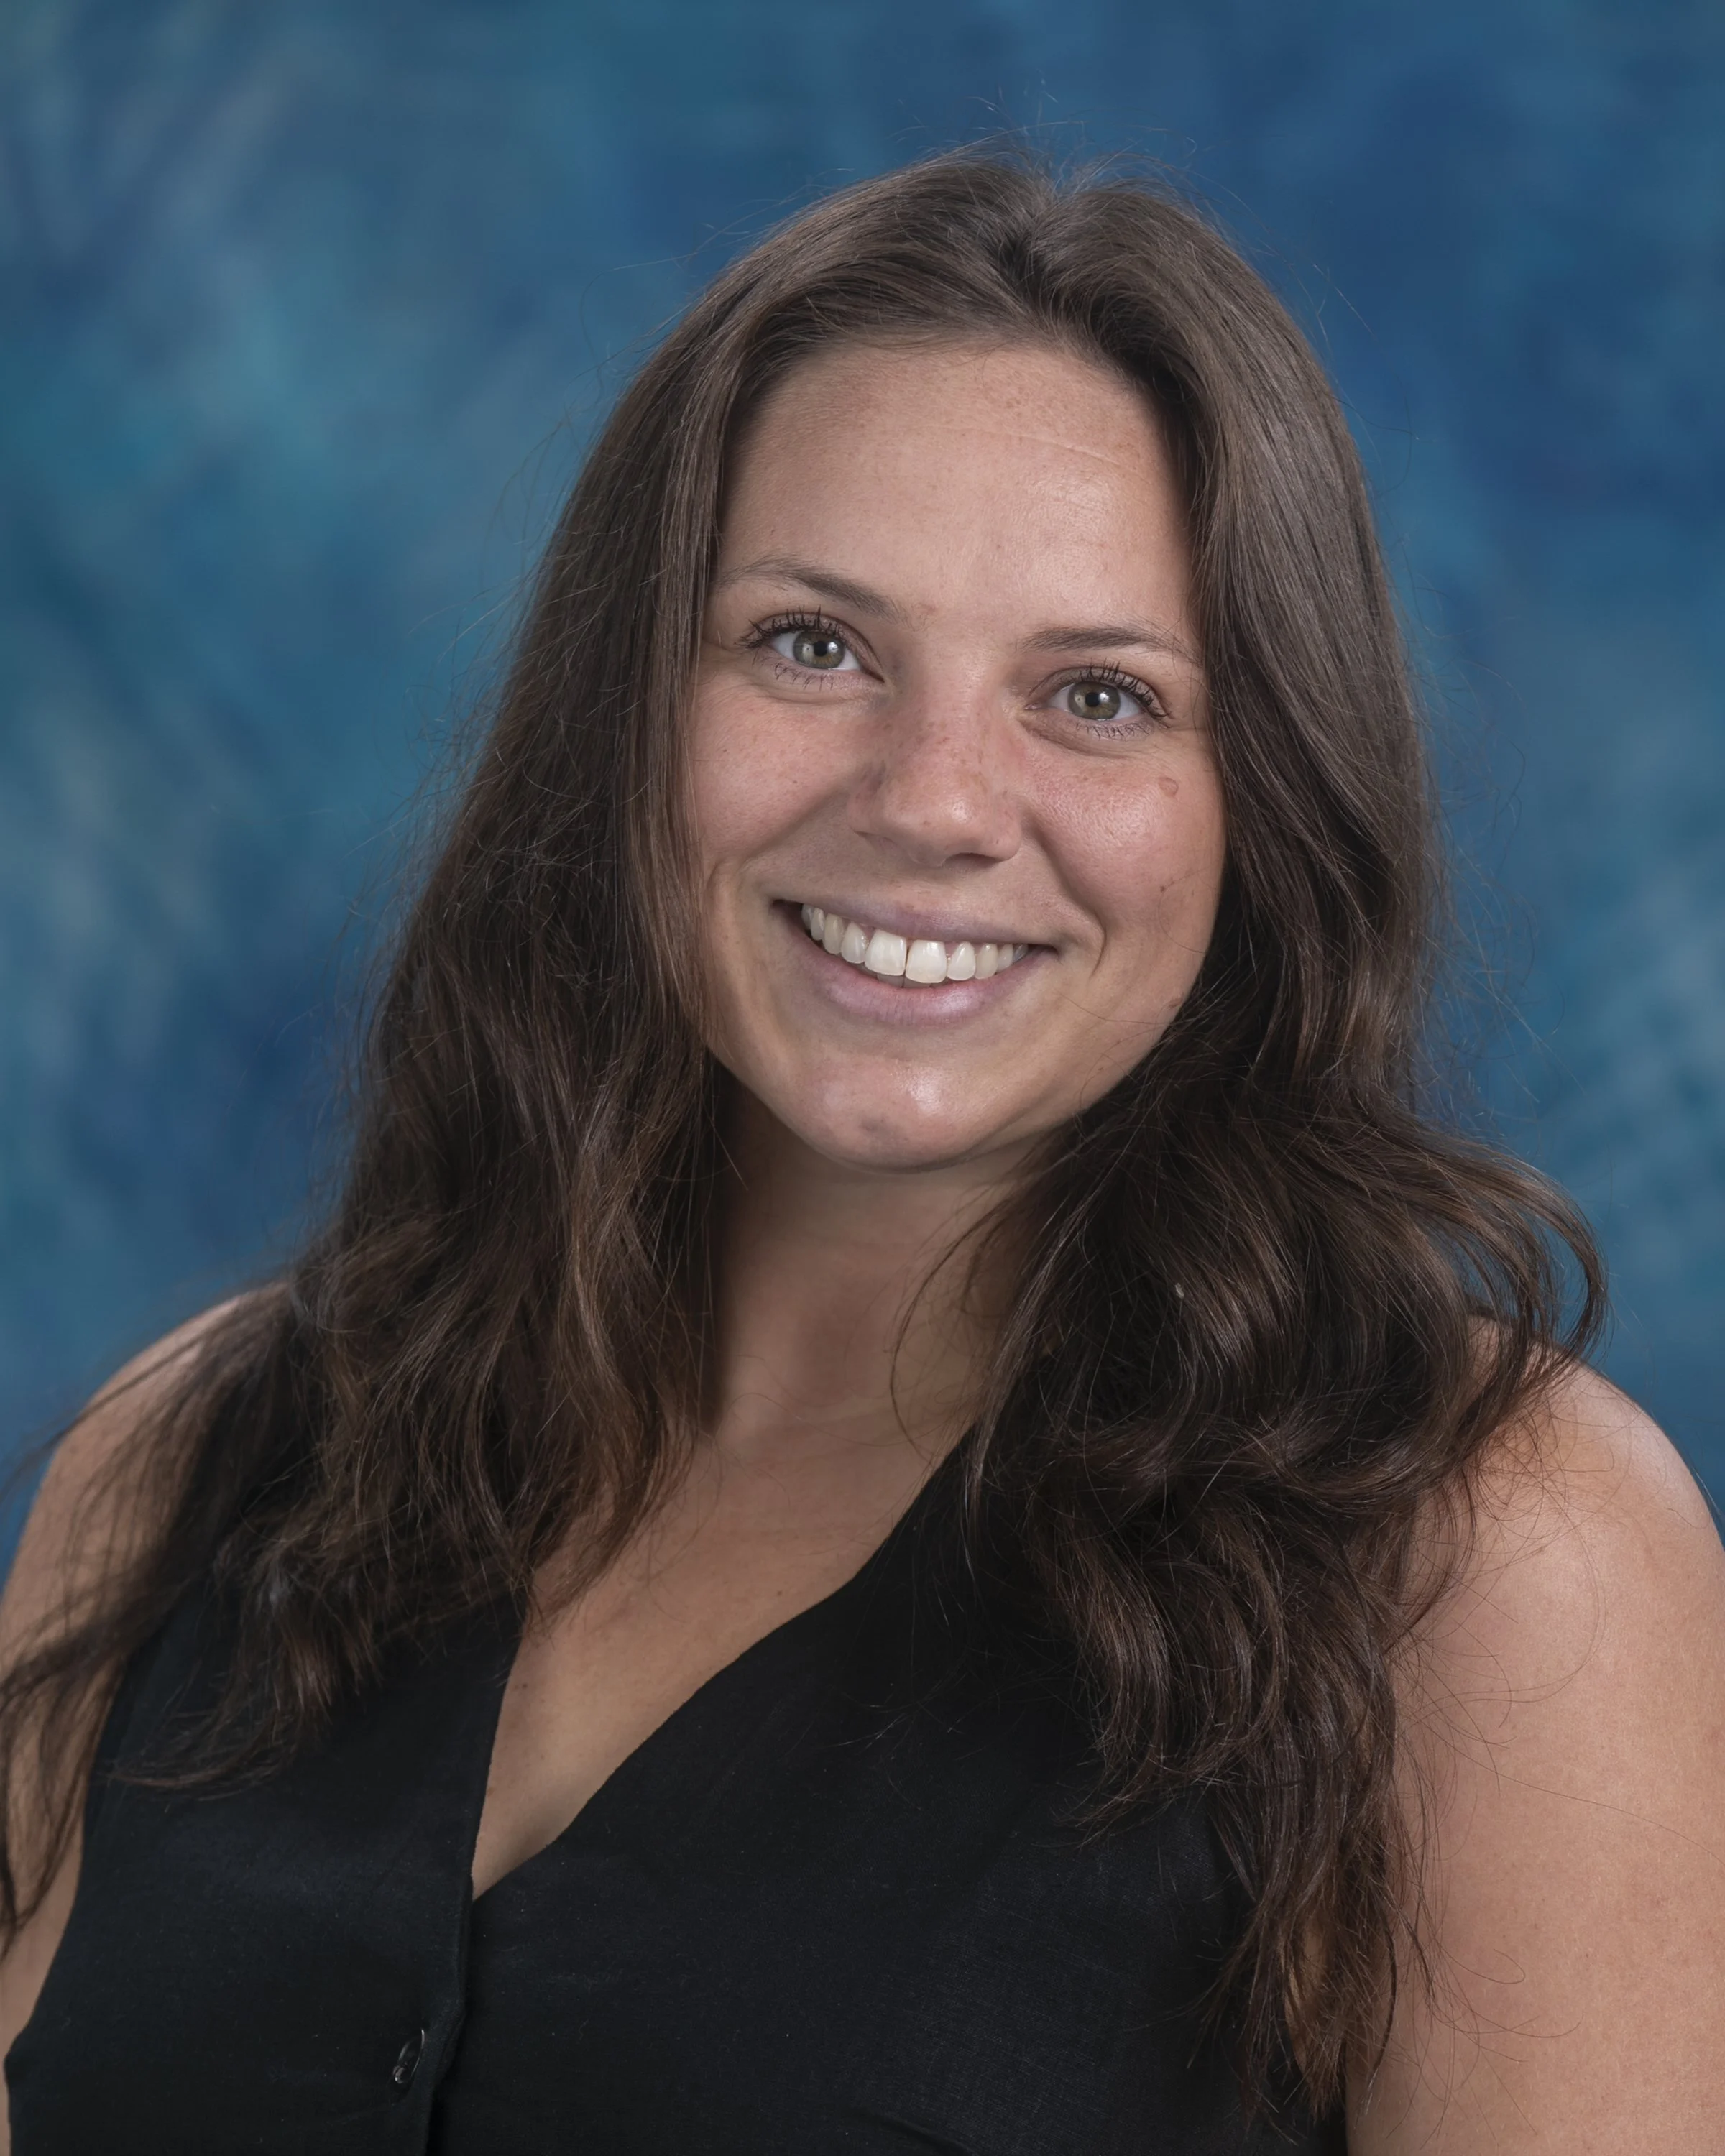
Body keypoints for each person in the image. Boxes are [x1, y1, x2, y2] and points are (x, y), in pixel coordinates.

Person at [0, 151, 1720, 2155]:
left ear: (1261, 802)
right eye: (814, 647)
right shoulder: (176, 1477)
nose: (935, 802)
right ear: (628, 708)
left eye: (1097, 696)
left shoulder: (1488, 1566)